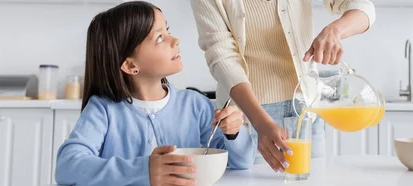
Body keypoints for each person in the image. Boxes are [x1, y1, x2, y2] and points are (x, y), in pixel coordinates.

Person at [54, 1, 256, 185]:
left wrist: (234, 133)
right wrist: (143, 170)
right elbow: (67, 168)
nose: (175, 40)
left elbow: (242, 162)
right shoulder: (103, 110)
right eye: (160, 37)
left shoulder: (195, 105)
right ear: (130, 64)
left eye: (167, 30)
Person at [191, 0, 376, 172]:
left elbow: (363, 8)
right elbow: (222, 57)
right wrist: (261, 123)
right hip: (249, 121)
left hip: (307, 114)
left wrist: (334, 30)